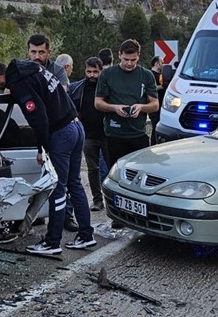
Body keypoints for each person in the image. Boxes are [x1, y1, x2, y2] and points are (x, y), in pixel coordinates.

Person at [0, 58, 94, 255]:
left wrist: (42, 148)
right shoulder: (29, 67)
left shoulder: (19, 82)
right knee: (74, 183)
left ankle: (52, 242)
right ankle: (86, 235)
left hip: (61, 133)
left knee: (57, 187)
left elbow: (38, 117)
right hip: (75, 126)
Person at [94, 39, 160, 167]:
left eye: (133, 60)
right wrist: (115, 108)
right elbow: (98, 102)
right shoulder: (107, 74)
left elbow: (155, 104)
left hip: (138, 133)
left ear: (138, 57)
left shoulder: (147, 75)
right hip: (114, 134)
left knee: (140, 171)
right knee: (115, 172)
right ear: (119, 55)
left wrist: (141, 107)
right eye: (126, 59)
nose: (129, 63)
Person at [69, 57, 107, 211]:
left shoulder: (106, 87)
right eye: (89, 71)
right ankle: (97, 199)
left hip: (107, 134)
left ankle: (112, 200)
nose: (92, 75)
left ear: (100, 71)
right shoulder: (77, 88)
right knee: (92, 169)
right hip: (88, 134)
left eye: (95, 72)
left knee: (110, 169)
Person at [148, 56, 164, 144]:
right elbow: (149, 89)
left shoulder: (162, 75)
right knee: (156, 127)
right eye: (162, 62)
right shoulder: (150, 75)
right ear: (156, 63)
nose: (163, 65)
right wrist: (161, 87)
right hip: (154, 106)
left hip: (162, 105)